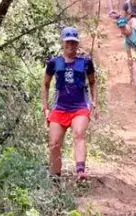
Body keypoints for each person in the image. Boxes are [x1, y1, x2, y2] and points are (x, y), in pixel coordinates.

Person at [41, 27, 98, 182]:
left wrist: (94, 102)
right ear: (63, 42)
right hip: (59, 108)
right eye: (68, 41)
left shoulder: (85, 62)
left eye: (73, 42)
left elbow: (92, 82)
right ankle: (55, 179)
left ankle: (80, 172)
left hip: (80, 106)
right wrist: (45, 107)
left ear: (77, 43)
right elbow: (45, 84)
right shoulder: (54, 63)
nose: (71, 45)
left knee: (79, 134)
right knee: (54, 144)